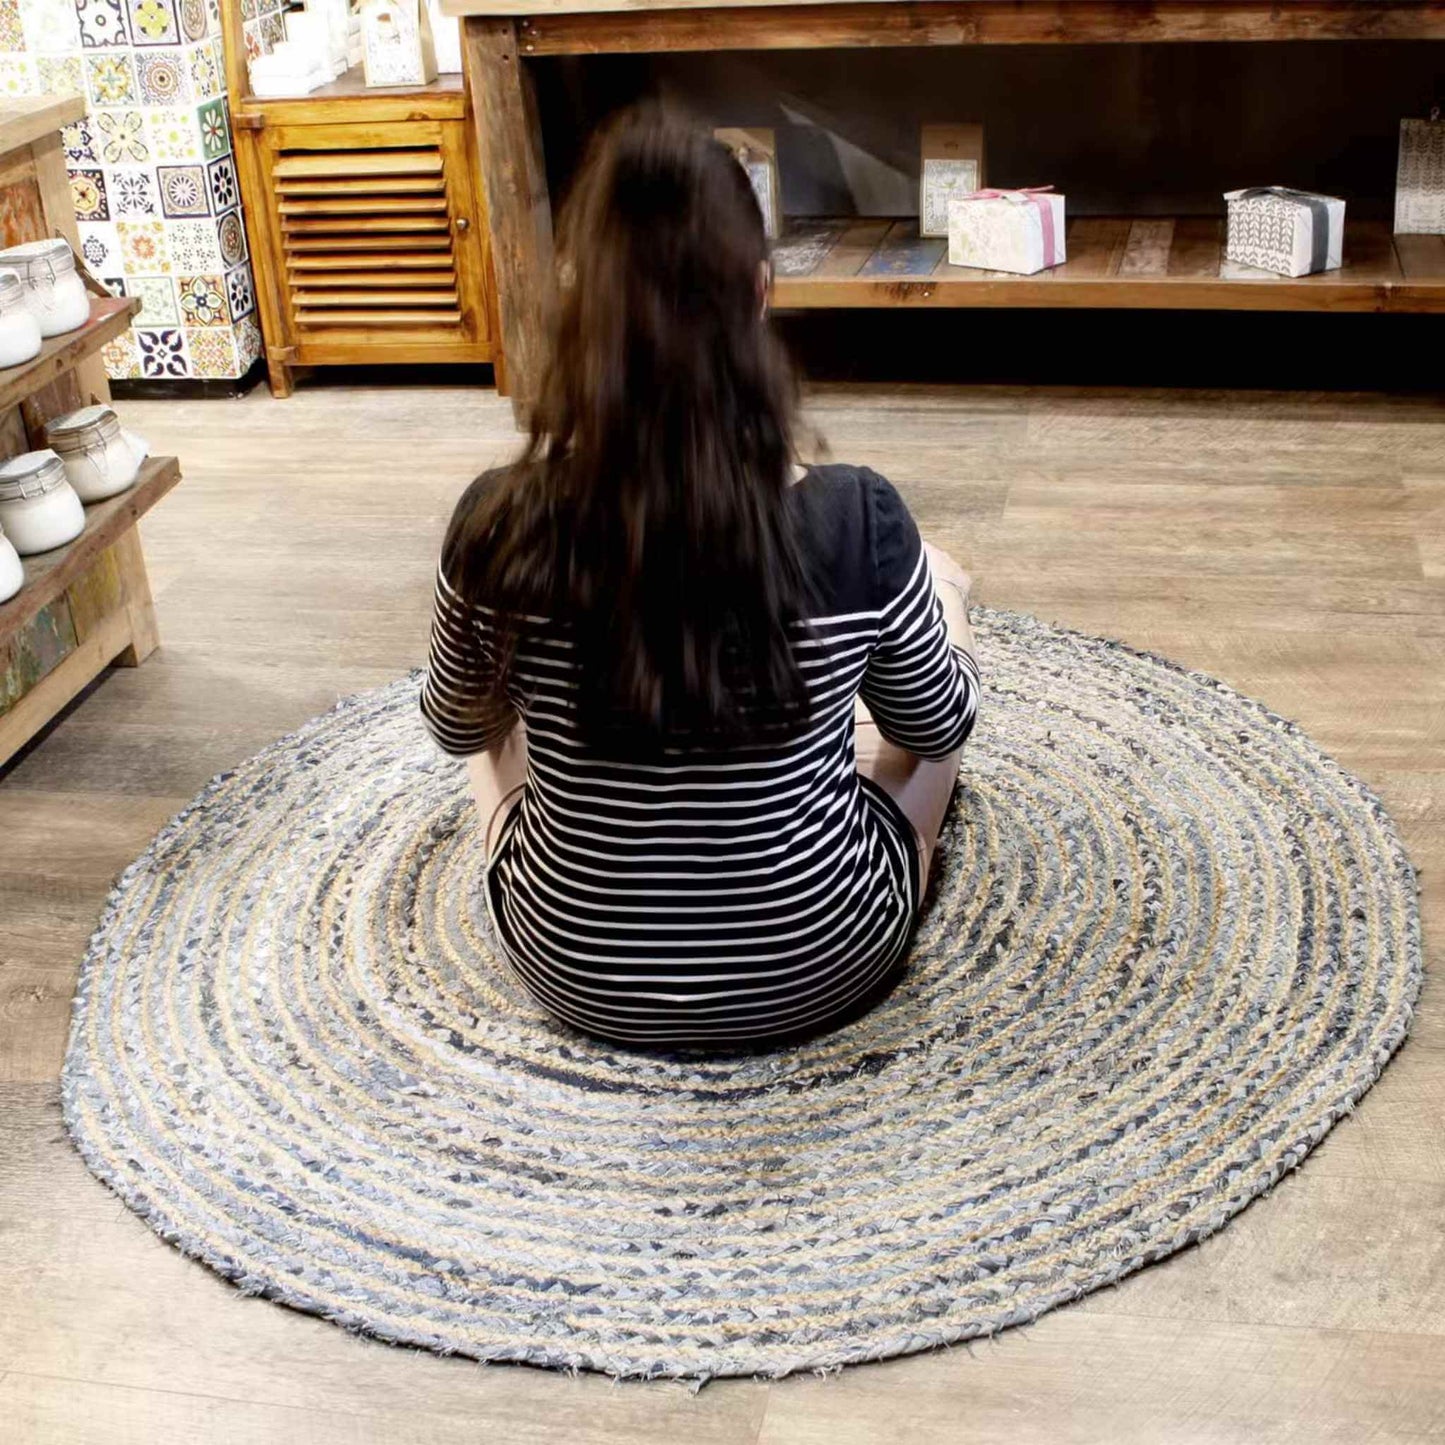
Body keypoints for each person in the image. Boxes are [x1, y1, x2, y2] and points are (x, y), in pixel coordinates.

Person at [421, 108, 979, 1051]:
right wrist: (945, 603)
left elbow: (457, 727)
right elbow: (931, 728)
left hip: (575, 969)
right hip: (821, 959)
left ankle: (529, 848)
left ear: (580, 300)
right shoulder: (854, 519)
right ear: (758, 292)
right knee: (945, 707)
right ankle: (941, 601)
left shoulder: (493, 522)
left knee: (489, 736)